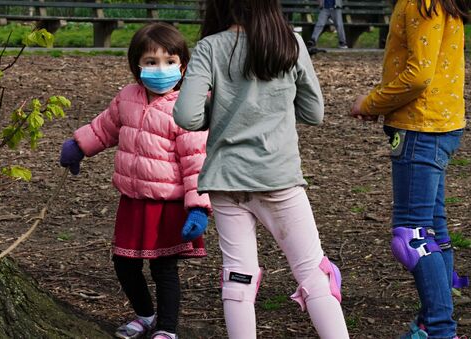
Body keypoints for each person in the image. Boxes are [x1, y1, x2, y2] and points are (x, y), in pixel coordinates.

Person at [173, 1, 349, 338]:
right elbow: (314, 112)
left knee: (238, 276)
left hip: (227, 181)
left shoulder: (210, 46)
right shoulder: (290, 43)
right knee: (314, 273)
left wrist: (222, 111)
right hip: (278, 178)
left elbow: (186, 116)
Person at [59, 22, 211, 339]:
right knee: (124, 264)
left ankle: (167, 329)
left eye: (170, 62)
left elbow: (196, 162)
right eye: (151, 62)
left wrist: (198, 206)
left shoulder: (187, 109)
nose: (161, 69)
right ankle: (145, 315)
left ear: (183, 66)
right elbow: (106, 127)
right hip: (133, 200)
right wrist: (79, 146)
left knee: (163, 268)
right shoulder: (128, 97)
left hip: (168, 204)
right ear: (137, 65)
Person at [350, 0, 469, 337]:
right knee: (433, 231)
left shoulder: (422, 2)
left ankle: (439, 329)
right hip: (437, 124)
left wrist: (372, 102)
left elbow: (418, 76)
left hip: (421, 128)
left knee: (412, 236)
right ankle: (431, 323)